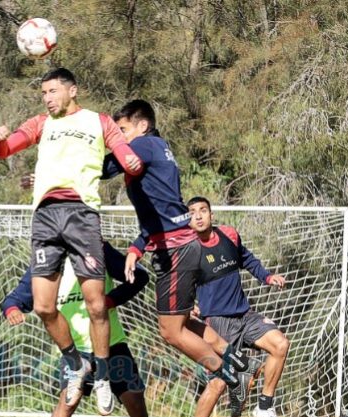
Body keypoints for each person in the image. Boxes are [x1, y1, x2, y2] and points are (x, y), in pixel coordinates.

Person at [0, 68, 143, 415]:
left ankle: (102, 375)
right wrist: (1, 139)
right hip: (45, 215)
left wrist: (131, 160)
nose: (47, 97)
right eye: (43, 92)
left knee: (96, 304)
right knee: (44, 307)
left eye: (53, 91)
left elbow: (125, 154)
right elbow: (4, 151)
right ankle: (76, 364)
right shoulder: (40, 123)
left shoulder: (99, 121)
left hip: (81, 214)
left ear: (72, 90)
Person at [102, 100, 249, 398]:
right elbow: (160, 212)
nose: (120, 137)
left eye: (123, 130)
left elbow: (106, 167)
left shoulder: (142, 145)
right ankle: (234, 357)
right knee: (182, 322)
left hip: (176, 250)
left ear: (142, 126)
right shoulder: (157, 147)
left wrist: (72, 159)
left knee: (170, 331)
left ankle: (227, 371)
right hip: (179, 244)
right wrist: (136, 249)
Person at [1, 241, 158, 417]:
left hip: (112, 345)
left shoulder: (98, 249)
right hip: (76, 351)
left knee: (136, 405)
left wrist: (111, 300)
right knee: (67, 402)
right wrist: (11, 309)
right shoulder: (48, 258)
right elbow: (18, 297)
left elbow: (139, 277)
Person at [180, 196, 291, 417]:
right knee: (218, 383)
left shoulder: (229, 235)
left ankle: (264, 407)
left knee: (280, 345)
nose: (198, 216)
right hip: (218, 325)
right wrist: (188, 307)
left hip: (245, 315)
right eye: (192, 213)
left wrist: (267, 277)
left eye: (203, 211)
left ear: (211, 214)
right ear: (187, 219)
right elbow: (179, 285)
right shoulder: (188, 250)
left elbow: (248, 259)